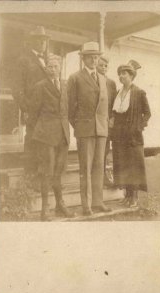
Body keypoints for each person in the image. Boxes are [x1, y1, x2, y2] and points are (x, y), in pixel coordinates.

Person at [67, 42, 112, 216]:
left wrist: (104, 124)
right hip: (84, 130)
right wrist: (78, 125)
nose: (94, 60)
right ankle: (86, 205)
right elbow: (70, 107)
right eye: (91, 57)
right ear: (83, 58)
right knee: (85, 168)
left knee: (99, 166)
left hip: (101, 130)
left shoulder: (102, 78)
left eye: (96, 57)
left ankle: (98, 201)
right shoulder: (75, 78)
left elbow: (104, 106)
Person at [30, 54, 74, 221]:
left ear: (60, 68)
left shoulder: (65, 84)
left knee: (59, 171)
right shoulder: (40, 86)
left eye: (55, 66)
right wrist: (41, 132)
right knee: (47, 172)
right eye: (49, 66)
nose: (52, 69)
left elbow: (67, 108)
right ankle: (44, 209)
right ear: (46, 68)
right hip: (47, 136)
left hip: (63, 134)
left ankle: (60, 205)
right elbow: (33, 113)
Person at [111, 60, 151, 207]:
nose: (121, 76)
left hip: (133, 136)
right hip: (119, 135)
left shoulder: (138, 92)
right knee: (123, 165)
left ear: (131, 75)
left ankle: (134, 197)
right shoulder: (118, 92)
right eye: (120, 74)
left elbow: (147, 113)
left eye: (124, 73)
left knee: (134, 166)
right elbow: (115, 112)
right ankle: (127, 195)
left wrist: (139, 127)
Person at [12, 26, 48, 176]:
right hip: (33, 111)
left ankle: (43, 179)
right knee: (32, 143)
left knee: (45, 144)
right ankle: (30, 178)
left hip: (47, 111)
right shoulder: (24, 60)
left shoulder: (47, 61)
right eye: (39, 39)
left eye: (44, 40)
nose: (42, 43)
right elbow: (17, 89)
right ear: (32, 41)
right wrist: (26, 109)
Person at [97, 55, 117, 188]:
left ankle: (103, 177)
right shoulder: (93, 80)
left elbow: (114, 103)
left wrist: (112, 118)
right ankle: (95, 178)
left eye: (105, 66)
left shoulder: (111, 83)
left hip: (107, 122)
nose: (103, 68)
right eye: (101, 65)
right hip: (96, 121)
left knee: (104, 150)